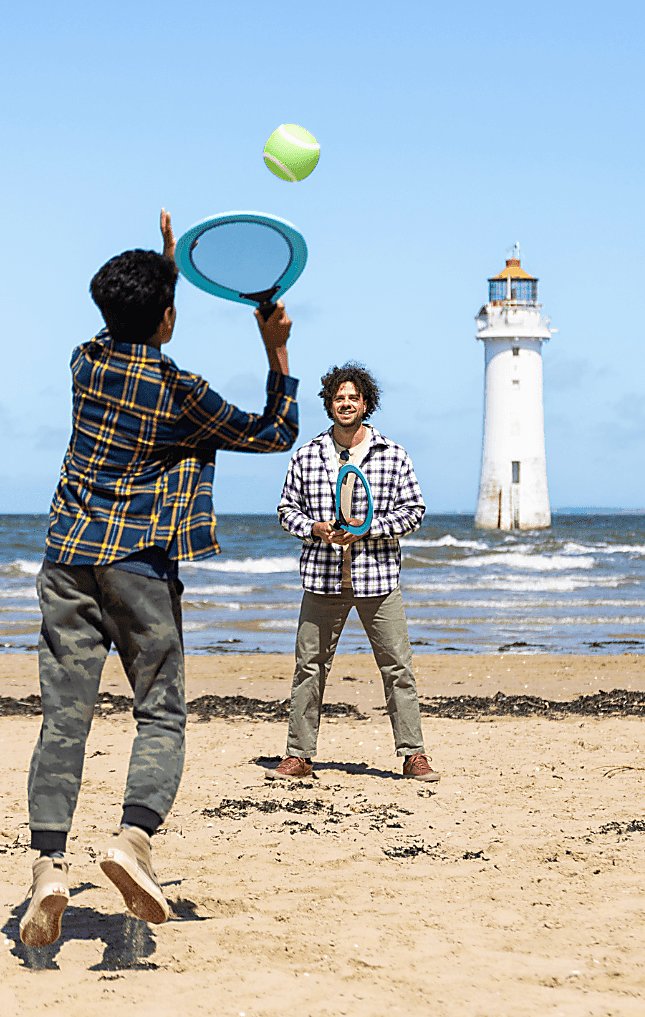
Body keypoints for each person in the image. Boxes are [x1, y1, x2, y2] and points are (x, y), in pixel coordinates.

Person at [20, 211, 298, 947]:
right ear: (168, 317)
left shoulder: (85, 361)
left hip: (65, 561)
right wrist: (276, 351)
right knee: (160, 710)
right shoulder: (181, 391)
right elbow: (272, 431)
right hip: (139, 566)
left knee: (64, 718)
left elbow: (130, 325)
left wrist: (167, 265)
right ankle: (132, 839)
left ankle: (49, 864)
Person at [272, 362, 439, 783]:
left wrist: (368, 530)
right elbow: (285, 510)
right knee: (309, 667)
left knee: (398, 667)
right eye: (339, 398)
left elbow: (414, 512)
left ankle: (413, 755)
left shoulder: (393, 454)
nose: (346, 404)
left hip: (378, 577)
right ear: (329, 403)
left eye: (354, 398)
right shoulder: (307, 455)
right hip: (321, 580)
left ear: (366, 404)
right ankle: (299, 755)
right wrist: (314, 528)